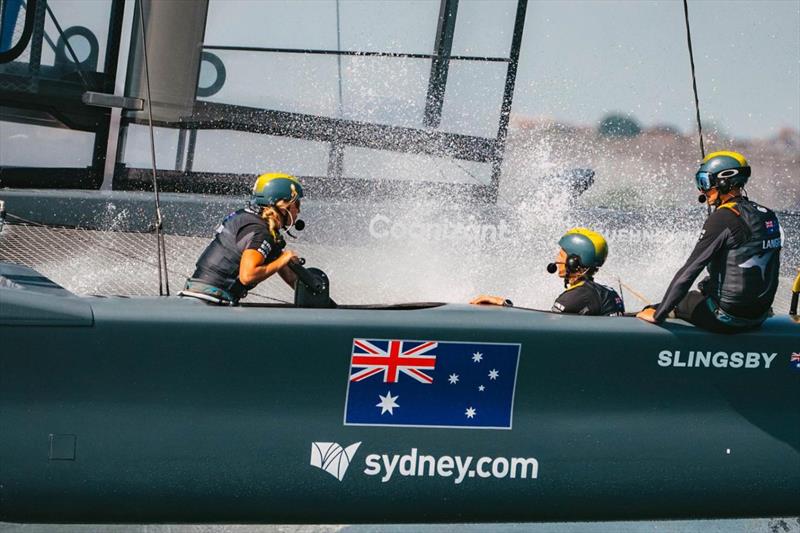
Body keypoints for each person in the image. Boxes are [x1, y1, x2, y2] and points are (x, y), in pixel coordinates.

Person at [636, 151, 782, 332]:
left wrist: (658, 314)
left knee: (666, 305)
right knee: (705, 287)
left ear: (724, 182)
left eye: (705, 182)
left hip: (726, 319)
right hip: (759, 317)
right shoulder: (768, 215)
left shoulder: (723, 217)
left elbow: (690, 269)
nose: (702, 190)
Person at [181, 173, 303, 304]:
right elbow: (248, 276)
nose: (299, 211)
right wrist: (284, 259)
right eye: (297, 204)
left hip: (197, 291)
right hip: (211, 299)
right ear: (284, 206)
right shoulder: (261, 232)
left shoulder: (247, 217)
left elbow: (287, 273)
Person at [470, 227, 625, 316]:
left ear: (574, 261)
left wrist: (504, 306)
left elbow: (543, 326)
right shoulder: (608, 292)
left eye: (562, 253)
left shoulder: (576, 296)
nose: (557, 257)